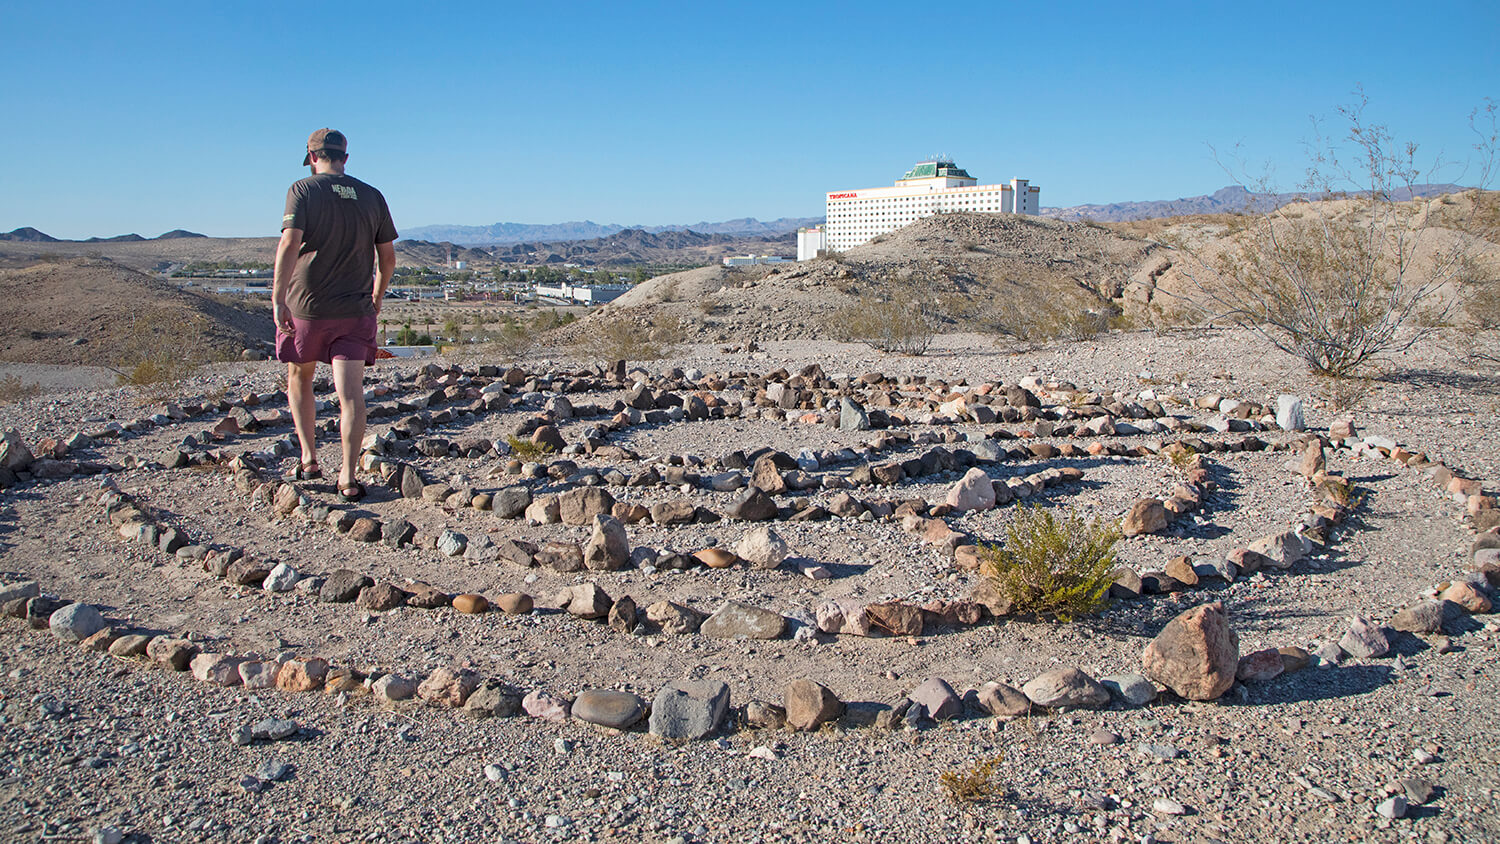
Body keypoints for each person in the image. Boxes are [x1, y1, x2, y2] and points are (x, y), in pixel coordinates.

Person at [272, 128, 397, 501]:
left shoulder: (303, 190)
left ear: (312, 157)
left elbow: (289, 242)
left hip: (306, 307)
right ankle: (347, 476)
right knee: (351, 394)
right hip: (355, 309)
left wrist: (278, 297)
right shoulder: (372, 196)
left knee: (300, 375)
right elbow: (387, 259)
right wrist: (376, 299)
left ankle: (309, 458)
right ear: (346, 157)